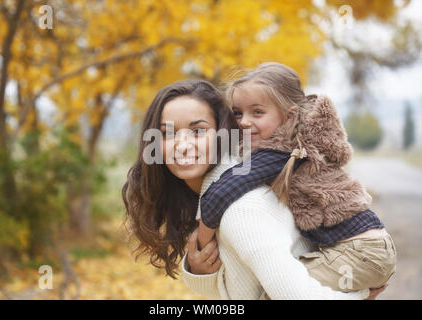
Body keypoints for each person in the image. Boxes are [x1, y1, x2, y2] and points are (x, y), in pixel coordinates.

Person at [122, 79, 380, 299]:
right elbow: (247, 287)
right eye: (167, 134)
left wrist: (360, 294)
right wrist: (200, 272)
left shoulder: (241, 210)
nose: (183, 145)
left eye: (198, 131)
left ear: (223, 135)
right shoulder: (218, 193)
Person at [195, 62, 396, 294]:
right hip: (367, 249)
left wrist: (202, 243)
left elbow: (224, 190)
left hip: (358, 252)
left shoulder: (284, 152)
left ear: (289, 117)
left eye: (257, 112)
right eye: (238, 113)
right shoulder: (287, 145)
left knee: (280, 292)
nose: (244, 121)